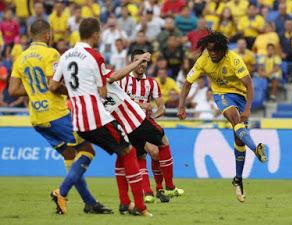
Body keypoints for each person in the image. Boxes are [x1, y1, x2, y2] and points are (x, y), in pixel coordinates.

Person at [48, 17, 151, 217]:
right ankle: (139, 205)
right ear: (95, 34)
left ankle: (65, 193)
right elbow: (104, 91)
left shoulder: (66, 55)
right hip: (96, 118)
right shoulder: (94, 57)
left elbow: (53, 86)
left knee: (88, 152)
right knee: (129, 152)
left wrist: (74, 91)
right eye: (100, 32)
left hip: (77, 120)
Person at [8, 19, 112, 214]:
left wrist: (33, 91)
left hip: (37, 119)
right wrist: (71, 92)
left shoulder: (20, 58)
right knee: (88, 150)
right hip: (56, 114)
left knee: (70, 156)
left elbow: (13, 90)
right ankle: (61, 192)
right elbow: (53, 86)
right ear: (47, 35)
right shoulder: (51, 53)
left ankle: (89, 202)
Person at [177, 31, 267, 203]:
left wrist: (247, 109)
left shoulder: (233, 59)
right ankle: (256, 149)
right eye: (209, 50)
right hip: (222, 95)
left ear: (223, 50)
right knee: (235, 120)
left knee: (239, 139)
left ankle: (238, 179)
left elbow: (249, 84)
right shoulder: (203, 59)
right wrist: (181, 106)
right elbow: (188, 83)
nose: (212, 54)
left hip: (240, 96)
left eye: (215, 50)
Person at [114, 49, 184, 202]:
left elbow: (161, 107)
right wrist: (141, 105)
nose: (141, 64)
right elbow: (118, 101)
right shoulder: (123, 81)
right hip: (129, 124)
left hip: (144, 122)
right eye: (138, 61)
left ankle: (155, 191)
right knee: (153, 151)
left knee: (150, 154)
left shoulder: (152, 83)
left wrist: (154, 114)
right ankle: (156, 189)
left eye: (144, 61)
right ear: (132, 63)